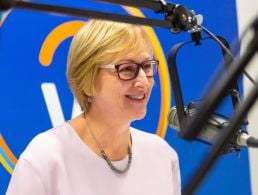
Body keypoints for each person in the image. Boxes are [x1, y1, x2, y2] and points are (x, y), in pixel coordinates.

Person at [6, 19, 181, 195]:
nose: (144, 81)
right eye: (127, 69)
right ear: (87, 80)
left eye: (146, 66)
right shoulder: (45, 158)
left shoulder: (162, 156)